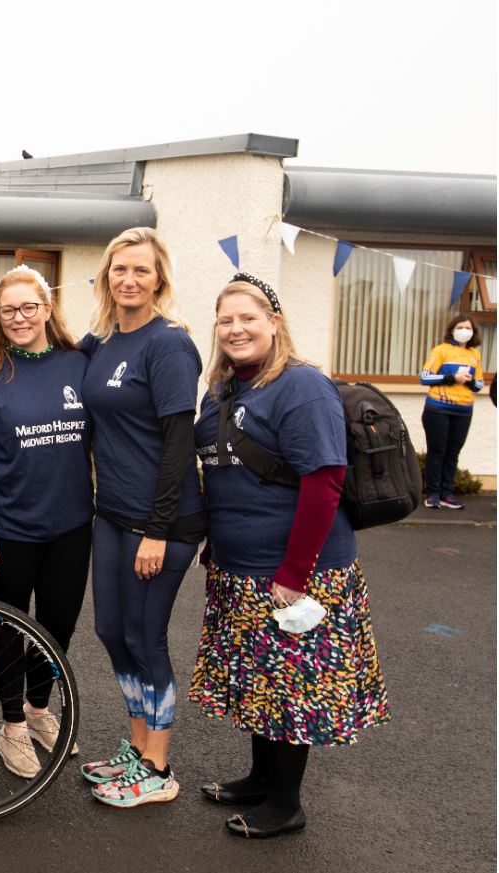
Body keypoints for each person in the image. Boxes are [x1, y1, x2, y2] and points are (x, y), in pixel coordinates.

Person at [189, 273, 390, 838]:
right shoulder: (224, 388)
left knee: (292, 688)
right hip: (240, 566)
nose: (236, 329)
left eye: (248, 318)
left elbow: (324, 482)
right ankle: (259, 779)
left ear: (274, 323)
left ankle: (285, 804)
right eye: (226, 320)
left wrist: (295, 573)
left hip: (297, 573)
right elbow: (223, 473)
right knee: (261, 683)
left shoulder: (301, 386)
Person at [77, 227, 205, 808]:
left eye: (142, 271)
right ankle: (135, 748)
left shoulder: (168, 344)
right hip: (112, 514)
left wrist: (157, 529)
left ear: (160, 280)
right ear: (106, 277)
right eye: (119, 270)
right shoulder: (103, 343)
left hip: (163, 522)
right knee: (111, 632)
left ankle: (159, 766)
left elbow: (180, 444)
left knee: (145, 637)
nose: (129, 280)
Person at [0, 265, 92, 779]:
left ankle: (38, 710)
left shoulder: (78, 364)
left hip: (72, 525)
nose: (19, 317)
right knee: (9, 627)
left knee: (57, 627)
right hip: (8, 528)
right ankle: (11, 724)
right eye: (8, 309)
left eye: (28, 307)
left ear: (48, 308)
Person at [420, 314, 485, 509]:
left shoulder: (475, 355)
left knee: (452, 453)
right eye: (460, 327)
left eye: (468, 328)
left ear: (473, 332)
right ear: (452, 329)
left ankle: (447, 494)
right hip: (438, 408)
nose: (464, 330)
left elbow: (479, 383)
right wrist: (452, 377)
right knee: (437, 452)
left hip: (464, 410)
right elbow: (425, 377)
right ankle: (433, 494)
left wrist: (469, 381)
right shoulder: (441, 350)